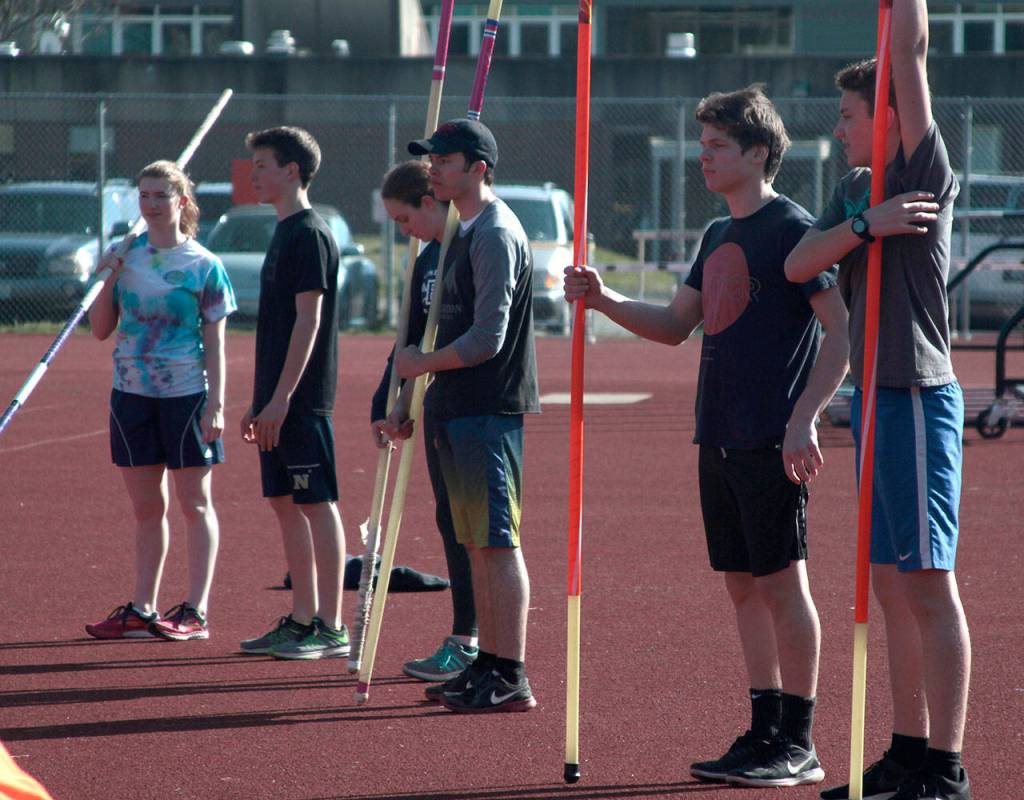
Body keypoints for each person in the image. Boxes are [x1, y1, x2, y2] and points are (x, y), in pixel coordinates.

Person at [564, 86, 850, 787]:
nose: (704, 157)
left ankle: (800, 739)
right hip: (717, 433)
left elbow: (840, 333)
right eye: (703, 145)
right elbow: (672, 326)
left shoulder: (794, 230)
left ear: (758, 153)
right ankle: (762, 728)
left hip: (768, 438)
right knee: (742, 586)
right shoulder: (718, 235)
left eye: (718, 146)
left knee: (784, 586)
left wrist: (803, 418)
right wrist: (601, 299)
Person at [784, 4, 971, 799]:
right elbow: (799, 265)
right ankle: (907, 749)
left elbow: (912, 47)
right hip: (873, 403)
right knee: (890, 586)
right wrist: (868, 224)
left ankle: (947, 766)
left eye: (851, 116)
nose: (840, 130)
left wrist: (906, 25)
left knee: (928, 584)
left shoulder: (924, 170)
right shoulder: (861, 189)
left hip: (920, 396)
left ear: (888, 114)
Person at [392, 119, 540, 713]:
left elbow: (487, 339)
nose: (433, 170)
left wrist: (421, 363)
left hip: (486, 407)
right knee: (476, 543)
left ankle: (511, 673)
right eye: (432, 161)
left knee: (497, 544)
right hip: (455, 408)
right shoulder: (460, 230)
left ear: (479, 168)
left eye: (445, 161)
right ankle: (488, 664)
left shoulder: (495, 233)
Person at [86, 160, 236, 642]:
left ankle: (196, 611)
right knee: (146, 508)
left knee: (195, 502)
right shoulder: (124, 255)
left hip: (186, 394)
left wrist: (217, 404)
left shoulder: (204, 265)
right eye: (144, 196)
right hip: (131, 392)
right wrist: (107, 276)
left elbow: (215, 342)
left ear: (182, 202)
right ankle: (142, 607)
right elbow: (100, 329)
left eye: (160, 196)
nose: (150, 205)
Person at [236, 126, 349, 661]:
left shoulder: (310, 233)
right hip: (275, 396)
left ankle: (332, 624)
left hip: (302, 399)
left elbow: (309, 319)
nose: (253, 173)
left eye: (262, 164)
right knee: (283, 503)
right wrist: (259, 399)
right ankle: (302, 617)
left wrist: (282, 397)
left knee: (316, 503)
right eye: (253, 164)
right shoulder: (281, 231)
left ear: (292, 171)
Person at [371, 160, 479, 682]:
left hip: (478, 407)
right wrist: (394, 403)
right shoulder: (426, 259)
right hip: (437, 408)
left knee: (479, 532)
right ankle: (466, 638)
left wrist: (417, 376)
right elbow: (409, 342)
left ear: (430, 203)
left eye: (403, 218)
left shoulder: (471, 245)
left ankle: (474, 641)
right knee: (449, 522)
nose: (402, 230)